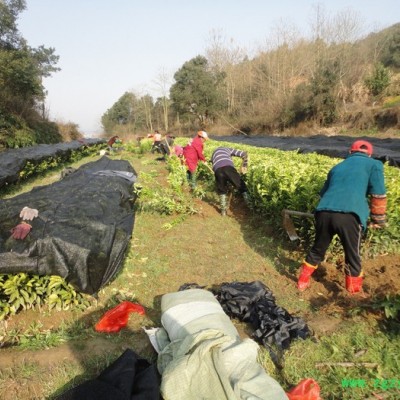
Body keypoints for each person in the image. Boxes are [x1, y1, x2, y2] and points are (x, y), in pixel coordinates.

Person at [297, 139, 387, 294]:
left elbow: (324, 193)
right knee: (353, 255)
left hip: (324, 211)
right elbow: (378, 194)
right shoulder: (374, 165)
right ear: (370, 154)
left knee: (318, 248)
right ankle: (352, 293)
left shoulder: (337, 167)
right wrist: (378, 219)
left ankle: (302, 282)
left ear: (350, 152)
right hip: (350, 215)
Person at [211, 146, 250, 216]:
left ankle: (223, 211)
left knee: (222, 190)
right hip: (228, 167)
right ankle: (251, 207)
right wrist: (245, 164)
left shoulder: (213, 154)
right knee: (242, 186)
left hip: (217, 170)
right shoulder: (228, 149)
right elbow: (244, 154)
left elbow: (213, 164)